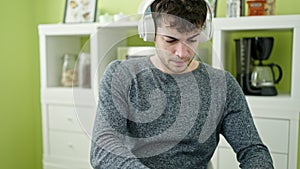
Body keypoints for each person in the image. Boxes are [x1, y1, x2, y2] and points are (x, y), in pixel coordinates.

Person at [90, 0, 274, 168]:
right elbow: (104, 149)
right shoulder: (121, 75)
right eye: (171, 40)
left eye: (192, 40)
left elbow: (253, 150)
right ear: (151, 32)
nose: (182, 53)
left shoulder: (222, 85)